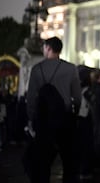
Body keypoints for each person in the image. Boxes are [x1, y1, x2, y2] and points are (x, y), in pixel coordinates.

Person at [26, 36, 81, 183]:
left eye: (44, 47)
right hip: (65, 119)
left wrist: (32, 118)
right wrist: (73, 114)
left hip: (43, 121)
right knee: (68, 160)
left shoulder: (37, 69)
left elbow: (31, 97)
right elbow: (77, 96)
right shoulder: (71, 68)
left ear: (48, 48)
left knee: (42, 162)